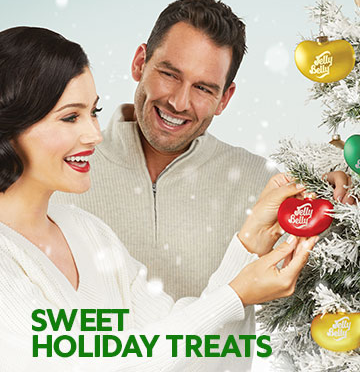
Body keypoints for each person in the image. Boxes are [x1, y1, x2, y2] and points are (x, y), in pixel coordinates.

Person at [0, 26, 317, 372]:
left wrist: (249, 241)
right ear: (11, 123)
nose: (93, 134)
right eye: (70, 117)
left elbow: (178, 340)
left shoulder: (87, 232)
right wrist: (236, 294)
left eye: (93, 111)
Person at [53, 0, 352, 300]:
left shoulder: (265, 188)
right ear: (140, 63)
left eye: (203, 88)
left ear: (225, 98)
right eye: (169, 74)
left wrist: (336, 198)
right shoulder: (56, 173)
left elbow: (331, 277)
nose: (179, 102)